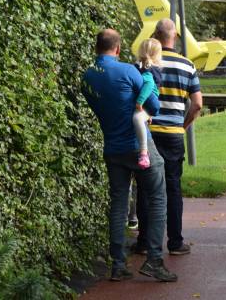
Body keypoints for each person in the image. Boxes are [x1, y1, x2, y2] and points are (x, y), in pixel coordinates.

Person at [81, 29, 176, 282]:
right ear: (118, 48)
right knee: (157, 199)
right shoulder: (128, 71)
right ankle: (154, 261)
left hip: (112, 148)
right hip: (139, 144)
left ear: (96, 47)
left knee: (119, 204)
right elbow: (153, 106)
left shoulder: (88, 77)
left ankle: (118, 265)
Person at [136, 19, 202, 257]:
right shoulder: (188, 65)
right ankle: (175, 241)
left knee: (145, 187)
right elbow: (197, 104)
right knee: (173, 187)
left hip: (147, 133)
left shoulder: (143, 63)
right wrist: (182, 126)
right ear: (175, 37)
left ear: (155, 35)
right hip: (174, 134)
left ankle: (143, 241)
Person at [133, 38, 163, 169]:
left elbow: (149, 84)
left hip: (147, 101)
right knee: (140, 119)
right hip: (147, 102)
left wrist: (140, 102)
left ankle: (144, 153)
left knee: (137, 118)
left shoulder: (147, 68)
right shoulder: (142, 66)